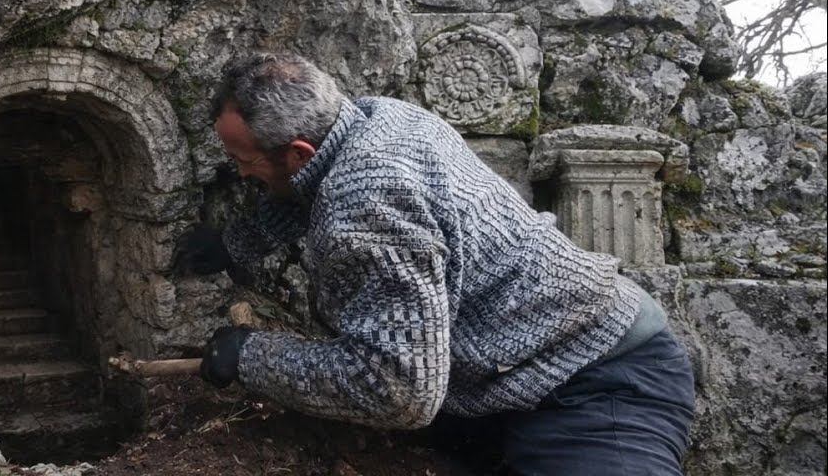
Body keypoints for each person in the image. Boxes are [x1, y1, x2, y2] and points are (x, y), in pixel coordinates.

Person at [182, 52, 695, 475]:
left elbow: (398, 389)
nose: (240, 172)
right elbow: (307, 187)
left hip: (598, 382)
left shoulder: (367, 200)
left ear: (296, 151)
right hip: (499, 380)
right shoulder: (375, 117)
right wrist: (238, 243)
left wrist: (251, 355)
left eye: (243, 161)